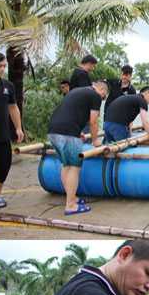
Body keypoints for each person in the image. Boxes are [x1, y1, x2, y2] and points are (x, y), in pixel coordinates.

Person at [46, 80, 108, 215]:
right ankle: (71, 205)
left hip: (53, 131)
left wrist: (78, 132)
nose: (102, 99)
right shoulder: (95, 95)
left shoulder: (76, 91)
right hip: (67, 133)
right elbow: (93, 121)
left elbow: (70, 112)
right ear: (102, 90)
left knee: (66, 165)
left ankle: (71, 198)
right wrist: (96, 140)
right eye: (104, 96)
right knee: (74, 167)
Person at [0, 51, 24, 208]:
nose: (2, 69)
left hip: (2, 133)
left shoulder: (8, 86)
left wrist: (18, 128)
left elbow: (13, 107)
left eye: (4, 66)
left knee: (3, 163)